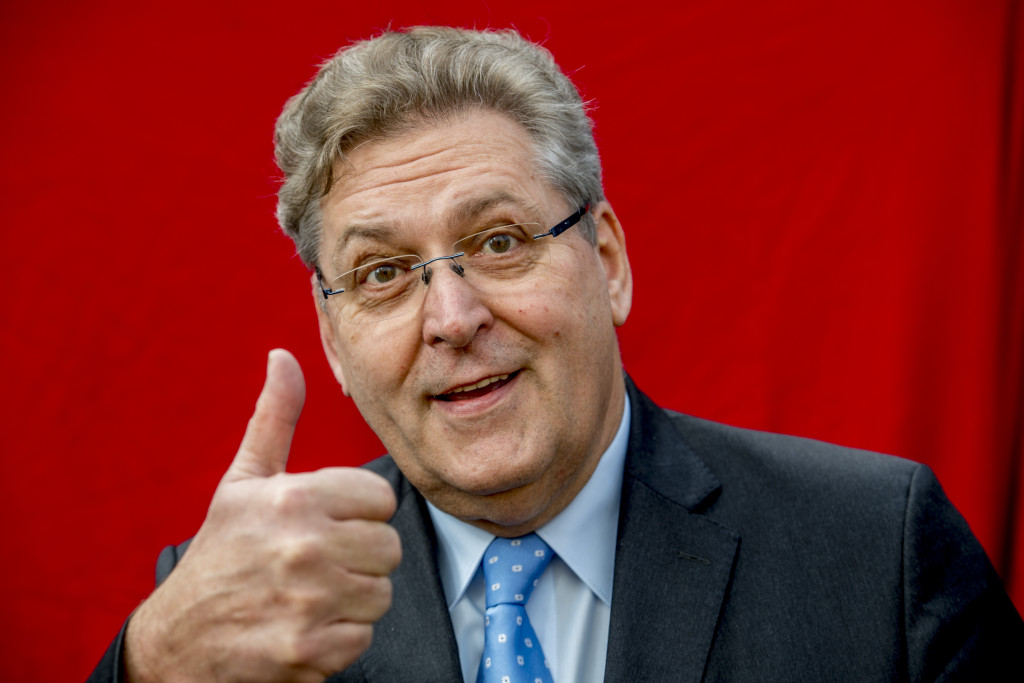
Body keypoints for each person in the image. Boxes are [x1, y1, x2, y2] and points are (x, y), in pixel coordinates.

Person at [89, 26, 1022, 683]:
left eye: (499, 242)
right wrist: (153, 661)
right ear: (333, 337)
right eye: (383, 273)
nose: (452, 318)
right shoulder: (239, 602)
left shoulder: (879, 553)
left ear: (606, 262)